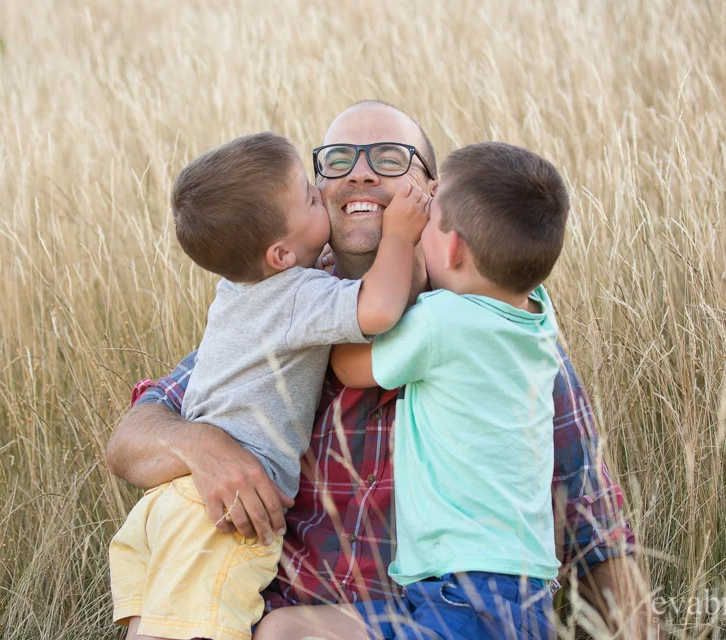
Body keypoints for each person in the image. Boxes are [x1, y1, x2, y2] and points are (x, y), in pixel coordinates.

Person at [107, 101, 657, 638]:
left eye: (390, 159)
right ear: (317, 191)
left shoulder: (497, 330)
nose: (361, 175)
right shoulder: (278, 306)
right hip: (291, 620)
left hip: (431, 617)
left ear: (435, 196)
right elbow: (132, 436)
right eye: (339, 160)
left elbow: (596, 527)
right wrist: (201, 446)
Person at [108, 131, 430, 640]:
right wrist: (401, 237)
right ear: (280, 253)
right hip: (220, 518)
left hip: (171, 510)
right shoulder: (301, 296)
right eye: (311, 190)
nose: (330, 190)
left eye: (390, 160)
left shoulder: (241, 293)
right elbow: (380, 308)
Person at [256, 141, 570, 640]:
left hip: (462, 596)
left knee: (285, 633)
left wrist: (396, 250)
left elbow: (347, 361)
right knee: (286, 630)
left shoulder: (443, 322)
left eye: (426, 215)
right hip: (521, 594)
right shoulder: (537, 319)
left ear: (454, 248)